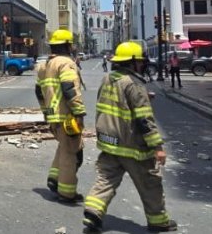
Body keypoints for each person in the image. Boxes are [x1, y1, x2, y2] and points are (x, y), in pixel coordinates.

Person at [83, 41, 177, 233]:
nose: (142, 65)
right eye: (140, 62)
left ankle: (93, 211)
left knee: (105, 179)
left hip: (109, 141)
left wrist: (142, 96)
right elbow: (144, 120)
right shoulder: (134, 84)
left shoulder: (108, 78)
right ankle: (158, 221)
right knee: (150, 183)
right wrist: (157, 147)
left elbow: (114, 104)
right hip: (132, 146)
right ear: (133, 62)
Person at [36, 29, 87, 203]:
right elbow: (69, 88)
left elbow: (39, 92)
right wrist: (79, 112)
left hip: (53, 116)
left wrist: (46, 112)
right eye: (71, 44)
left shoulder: (44, 65)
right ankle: (66, 193)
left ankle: (54, 178)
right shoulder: (66, 63)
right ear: (67, 45)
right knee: (71, 153)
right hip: (66, 116)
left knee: (65, 147)